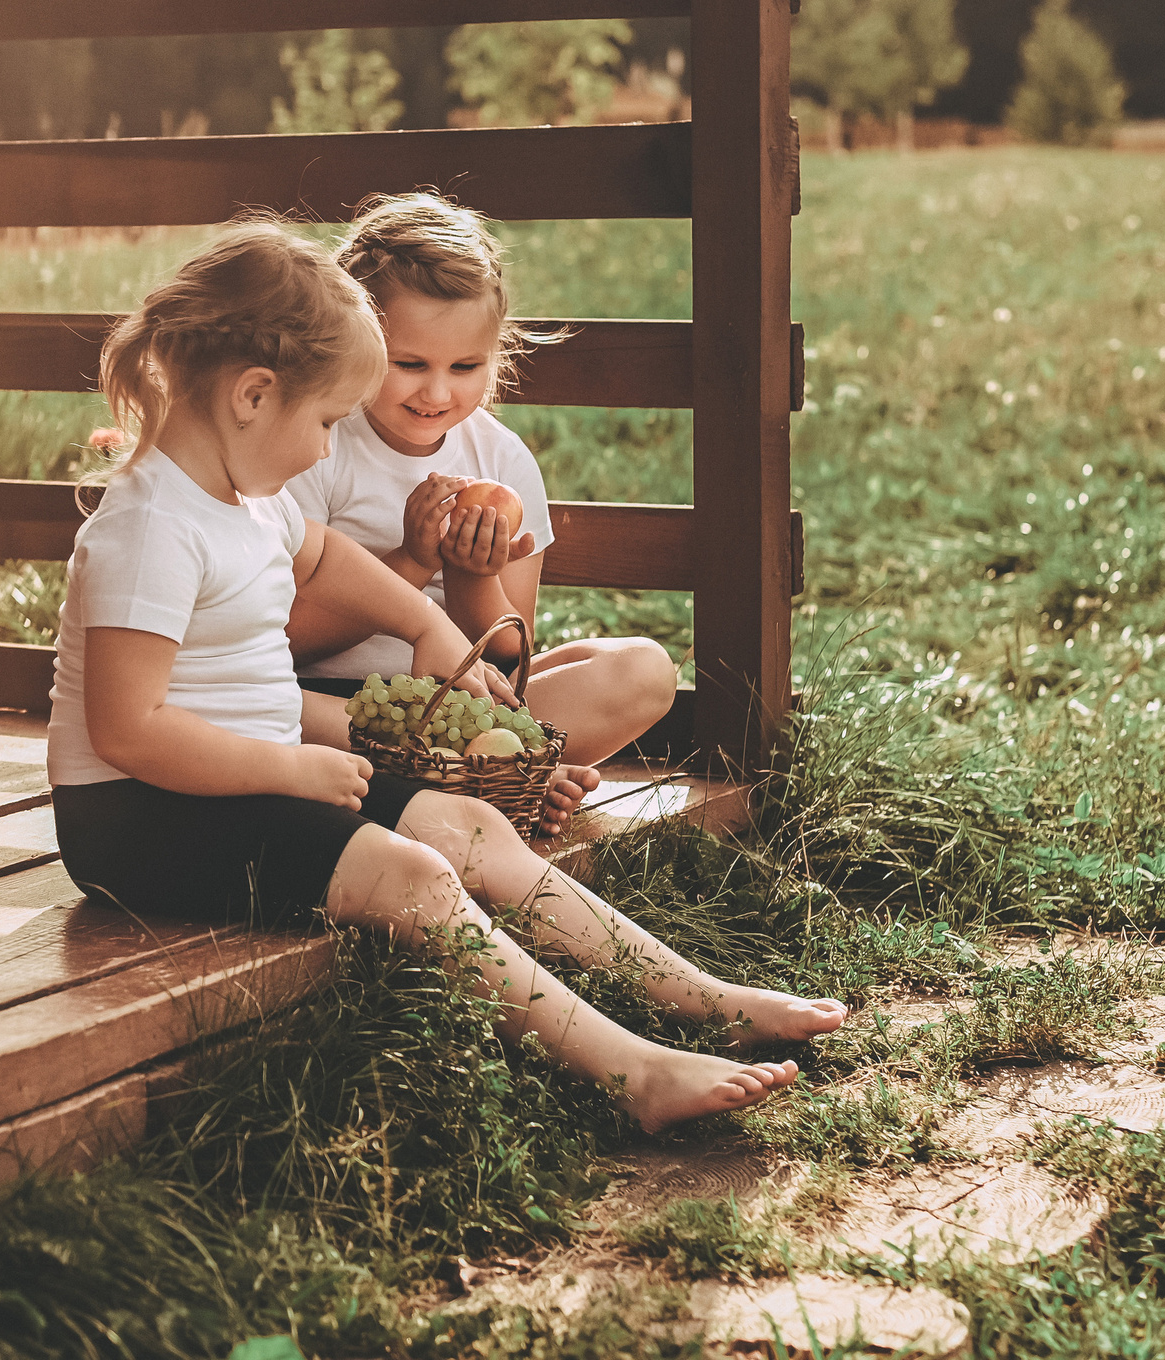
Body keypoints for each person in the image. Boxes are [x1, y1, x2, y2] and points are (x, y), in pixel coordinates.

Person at [48, 219, 844, 1133]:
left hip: (237, 779)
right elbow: (128, 732)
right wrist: (289, 769)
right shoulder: (150, 527)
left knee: (473, 825)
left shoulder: (245, 500)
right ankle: (634, 1072)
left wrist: (426, 623)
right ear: (253, 395)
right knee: (414, 877)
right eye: (325, 422)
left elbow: (326, 560)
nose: (325, 449)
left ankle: (702, 998)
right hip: (138, 819)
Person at [288, 194, 677, 767]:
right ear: (354, 339)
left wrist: (471, 576)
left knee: (644, 670)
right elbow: (287, 637)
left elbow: (510, 657)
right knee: (256, 701)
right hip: (335, 706)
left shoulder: (502, 459)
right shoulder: (316, 443)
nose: (437, 393)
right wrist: (412, 562)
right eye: (409, 364)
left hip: (467, 704)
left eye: (465, 367)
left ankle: (468, 766)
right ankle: (499, 772)